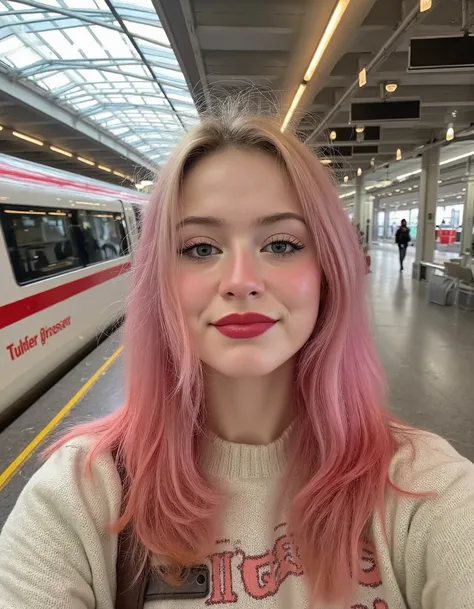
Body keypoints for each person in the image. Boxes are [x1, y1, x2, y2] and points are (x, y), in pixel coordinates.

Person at [1, 106, 474, 609]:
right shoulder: (81, 495)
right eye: (201, 249)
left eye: (282, 243)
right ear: (159, 280)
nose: (241, 280)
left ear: (327, 271)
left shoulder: (423, 488)